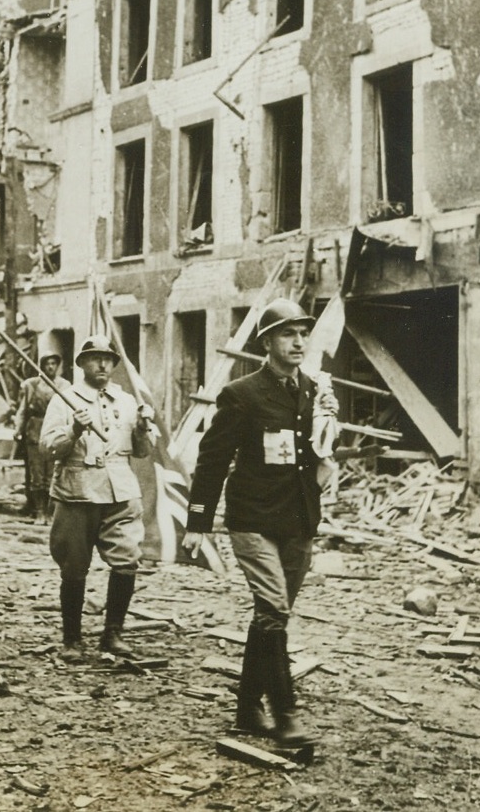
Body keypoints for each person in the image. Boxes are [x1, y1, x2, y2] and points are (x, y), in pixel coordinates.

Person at [182, 299, 339, 748]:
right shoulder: (242, 394)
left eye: (303, 333)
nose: (298, 341)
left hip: (298, 520)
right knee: (274, 610)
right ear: (266, 342)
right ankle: (286, 714)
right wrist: (199, 521)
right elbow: (211, 461)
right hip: (253, 519)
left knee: (272, 617)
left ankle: (248, 707)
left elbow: (319, 451)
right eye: (288, 334)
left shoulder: (313, 391)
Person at [39, 334, 155, 664]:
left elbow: (144, 452)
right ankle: (72, 639)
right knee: (74, 566)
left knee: (127, 559)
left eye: (108, 359)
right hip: (77, 490)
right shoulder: (65, 398)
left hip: (120, 489)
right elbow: (46, 448)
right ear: (82, 364)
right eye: (95, 359)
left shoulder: (127, 401)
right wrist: (74, 430)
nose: (102, 364)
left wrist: (144, 428)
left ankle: (113, 633)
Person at [13, 346, 69, 520]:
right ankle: (39, 512)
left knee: (52, 473)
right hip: (35, 428)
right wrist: (18, 428)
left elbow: (69, 409)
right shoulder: (32, 385)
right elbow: (22, 410)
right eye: (47, 364)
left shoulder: (64, 385)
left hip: (56, 428)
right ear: (42, 366)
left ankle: (51, 512)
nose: (50, 367)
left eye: (54, 363)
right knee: (36, 473)